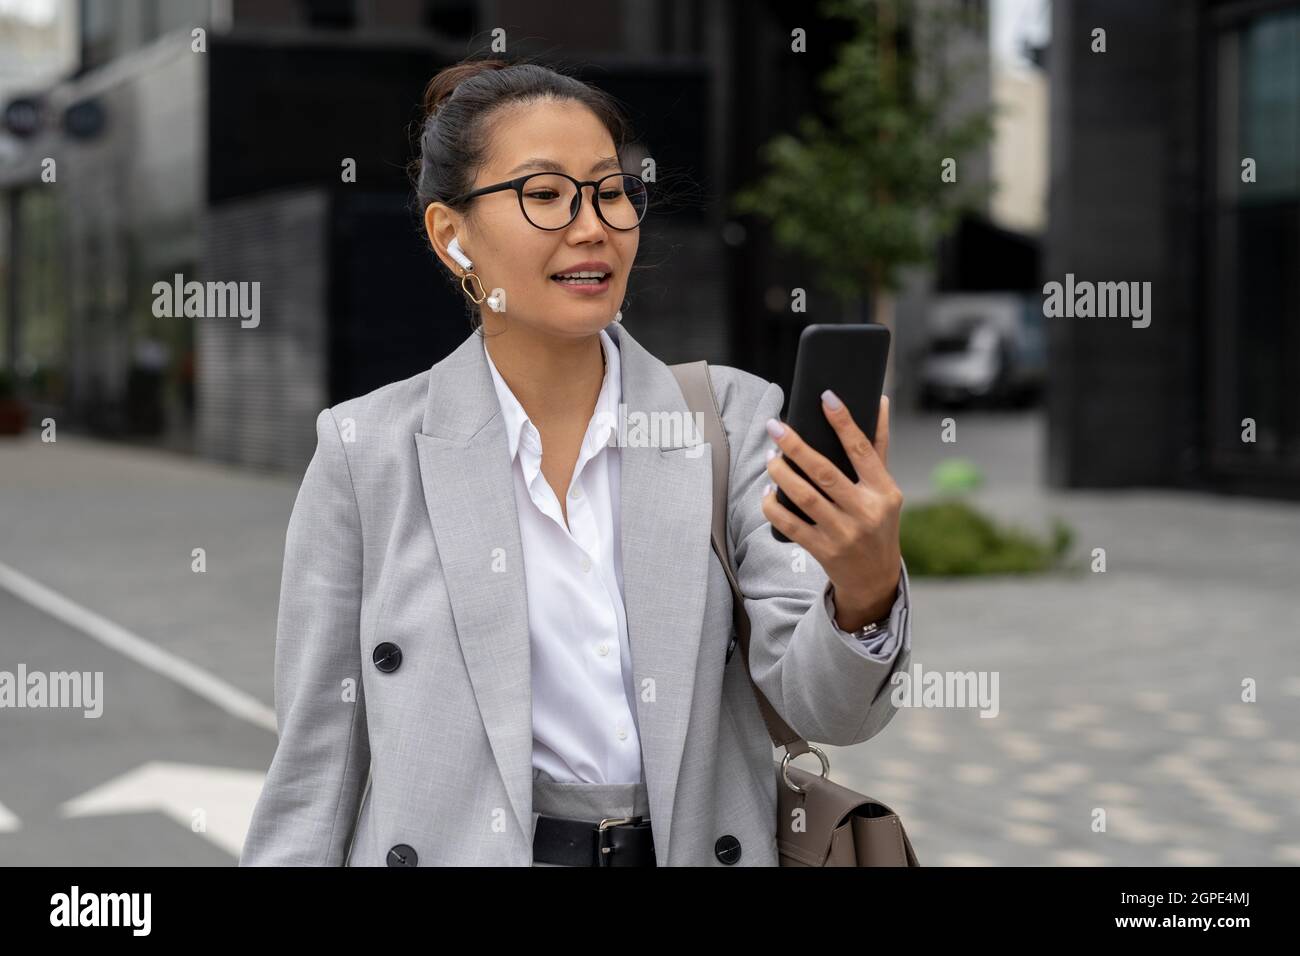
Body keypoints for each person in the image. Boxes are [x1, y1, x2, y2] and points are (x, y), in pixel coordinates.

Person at [239, 57, 913, 867]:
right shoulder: (365, 449)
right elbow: (316, 766)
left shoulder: (730, 421)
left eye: (611, 190)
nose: (591, 225)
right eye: (545, 194)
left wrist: (864, 588)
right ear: (453, 237)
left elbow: (830, 713)